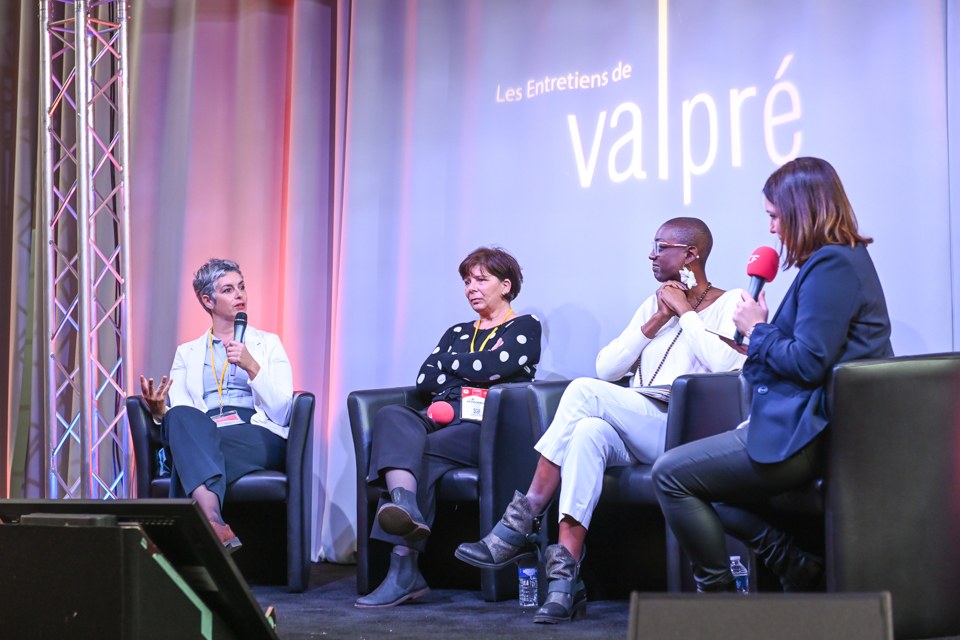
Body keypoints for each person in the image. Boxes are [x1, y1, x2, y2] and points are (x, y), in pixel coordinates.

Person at [456, 217, 746, 624]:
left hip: (686, 434)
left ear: (690, 254)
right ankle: (565, 581)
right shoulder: (653, 305)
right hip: (642, 422)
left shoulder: (731, 301)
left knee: (582, 390)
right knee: (587, 432)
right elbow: (607, 368)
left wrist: (685, 313)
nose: (651, 254)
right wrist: (657, 320)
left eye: (661, 247)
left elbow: (725, 363)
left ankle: (522, 518)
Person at [652, 157, 893, 592]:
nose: (772, 229)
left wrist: (757, 329)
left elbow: (808, 361)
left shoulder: (833, 265)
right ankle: (790, 561)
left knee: (670, 475)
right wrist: (758, 339)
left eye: (775, 216)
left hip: (806, 434)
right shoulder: (839, 261)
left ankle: (719, 598)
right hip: (799, 422)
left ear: (802, 212)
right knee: (693, 479)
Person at [355, 247, 542, 609]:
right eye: (467, 281)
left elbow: (497, 365)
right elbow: (426, 379)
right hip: (442, 415)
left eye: (481, 280)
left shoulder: (524, 326)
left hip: (487, 427)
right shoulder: (457, 331)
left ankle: (403, 569)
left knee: (419, 453)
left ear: (505, 286)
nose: (472, 288)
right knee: (391, 416)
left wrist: (450, 363)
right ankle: (405, 504)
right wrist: (472, 367)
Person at [139, 258, 293, 552]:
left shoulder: (268, 344)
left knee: (189, 458)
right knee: (182, 419)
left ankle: (200, 526)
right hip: (206, 429)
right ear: (208, 300)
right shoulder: (187, 352)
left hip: (255, 431)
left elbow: (283, 412)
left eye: (241, 287)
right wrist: (160, 412)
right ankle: (214, 522)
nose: (240, 295)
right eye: (228, 290)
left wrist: (253, 367)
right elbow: (183, 415)